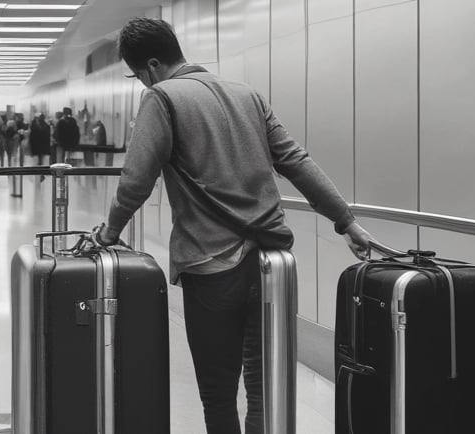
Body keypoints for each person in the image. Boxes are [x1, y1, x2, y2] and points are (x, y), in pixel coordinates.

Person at [90, 18, 376, 434]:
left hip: (212, 264)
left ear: (151, 66)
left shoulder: (163, 98)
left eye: (137, 76)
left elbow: (136, 180)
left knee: (218, 392)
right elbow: (295, 160)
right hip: (271, 264)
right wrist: (346, 221)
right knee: (263, 387)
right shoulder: (248, 95)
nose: (141, 84)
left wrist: (110, 233)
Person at [29, 113, 51, 180]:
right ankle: (41, 173)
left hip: (36, 146)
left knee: (37, 160)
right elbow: (48, 137)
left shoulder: (35, 127)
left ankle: (39, 173)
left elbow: (31, 137)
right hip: (44, 146)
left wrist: (31, 146)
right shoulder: (47, 126)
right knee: (42, 160)